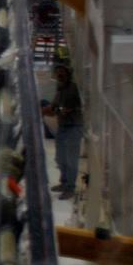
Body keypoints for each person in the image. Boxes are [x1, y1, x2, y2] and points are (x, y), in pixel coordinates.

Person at [42, 63, 82, 199]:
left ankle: (70, 187)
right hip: (63, 127)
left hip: (73, 127)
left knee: (71, 159)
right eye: (57, 72)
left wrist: (48, 110)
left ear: (68, 74)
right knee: (60, 157)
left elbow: (63, 110)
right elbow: (54, 106)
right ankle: (64, 182)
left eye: (62, 73)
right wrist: (47, 108)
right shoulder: (60, 89)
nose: (59, 75)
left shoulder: (72, 89)